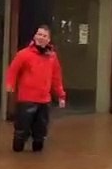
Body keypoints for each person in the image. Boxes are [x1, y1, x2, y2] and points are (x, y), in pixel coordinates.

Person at [5, 25, 66, 153]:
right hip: (26, 99)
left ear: (49, 40)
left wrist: (61, 95)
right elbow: (13, 71)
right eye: (39, 34)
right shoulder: (23, 54)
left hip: (44, 100)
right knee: (21, 130)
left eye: (44, 36)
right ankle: (17, 154)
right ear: (34, 36)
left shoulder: (52, 57)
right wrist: (10, 85)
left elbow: (56, 78)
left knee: (40, 132)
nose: (41, 38)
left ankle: (37, 154)